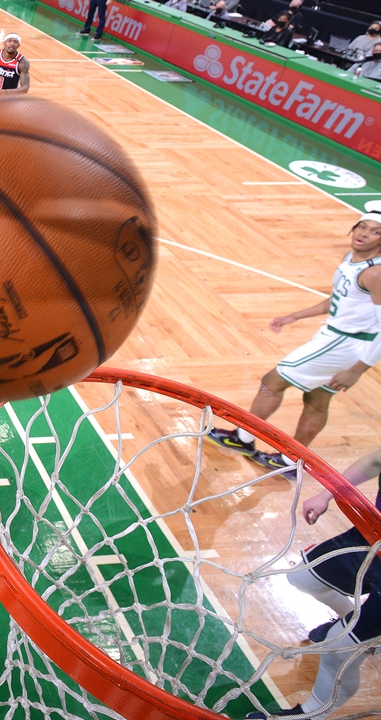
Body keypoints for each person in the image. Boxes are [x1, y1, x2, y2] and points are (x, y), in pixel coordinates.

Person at [207, 205, 381, 479]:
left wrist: (357, 370)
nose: (364, 234)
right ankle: (292, 460)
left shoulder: (375, 273)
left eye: (375, 232)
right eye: (362, 227)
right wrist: (295, 316)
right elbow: (339, 300)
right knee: (317, 400)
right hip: (339, 340)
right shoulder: (352, 259)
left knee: (271, 382)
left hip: (343, 344)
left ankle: (244, 437)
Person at [242, 449, 380, 719]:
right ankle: (360, 629)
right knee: (303, 577)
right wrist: (327, 493)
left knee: (337, 648)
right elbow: (376, 460)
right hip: (371, 535)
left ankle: (311, 714)